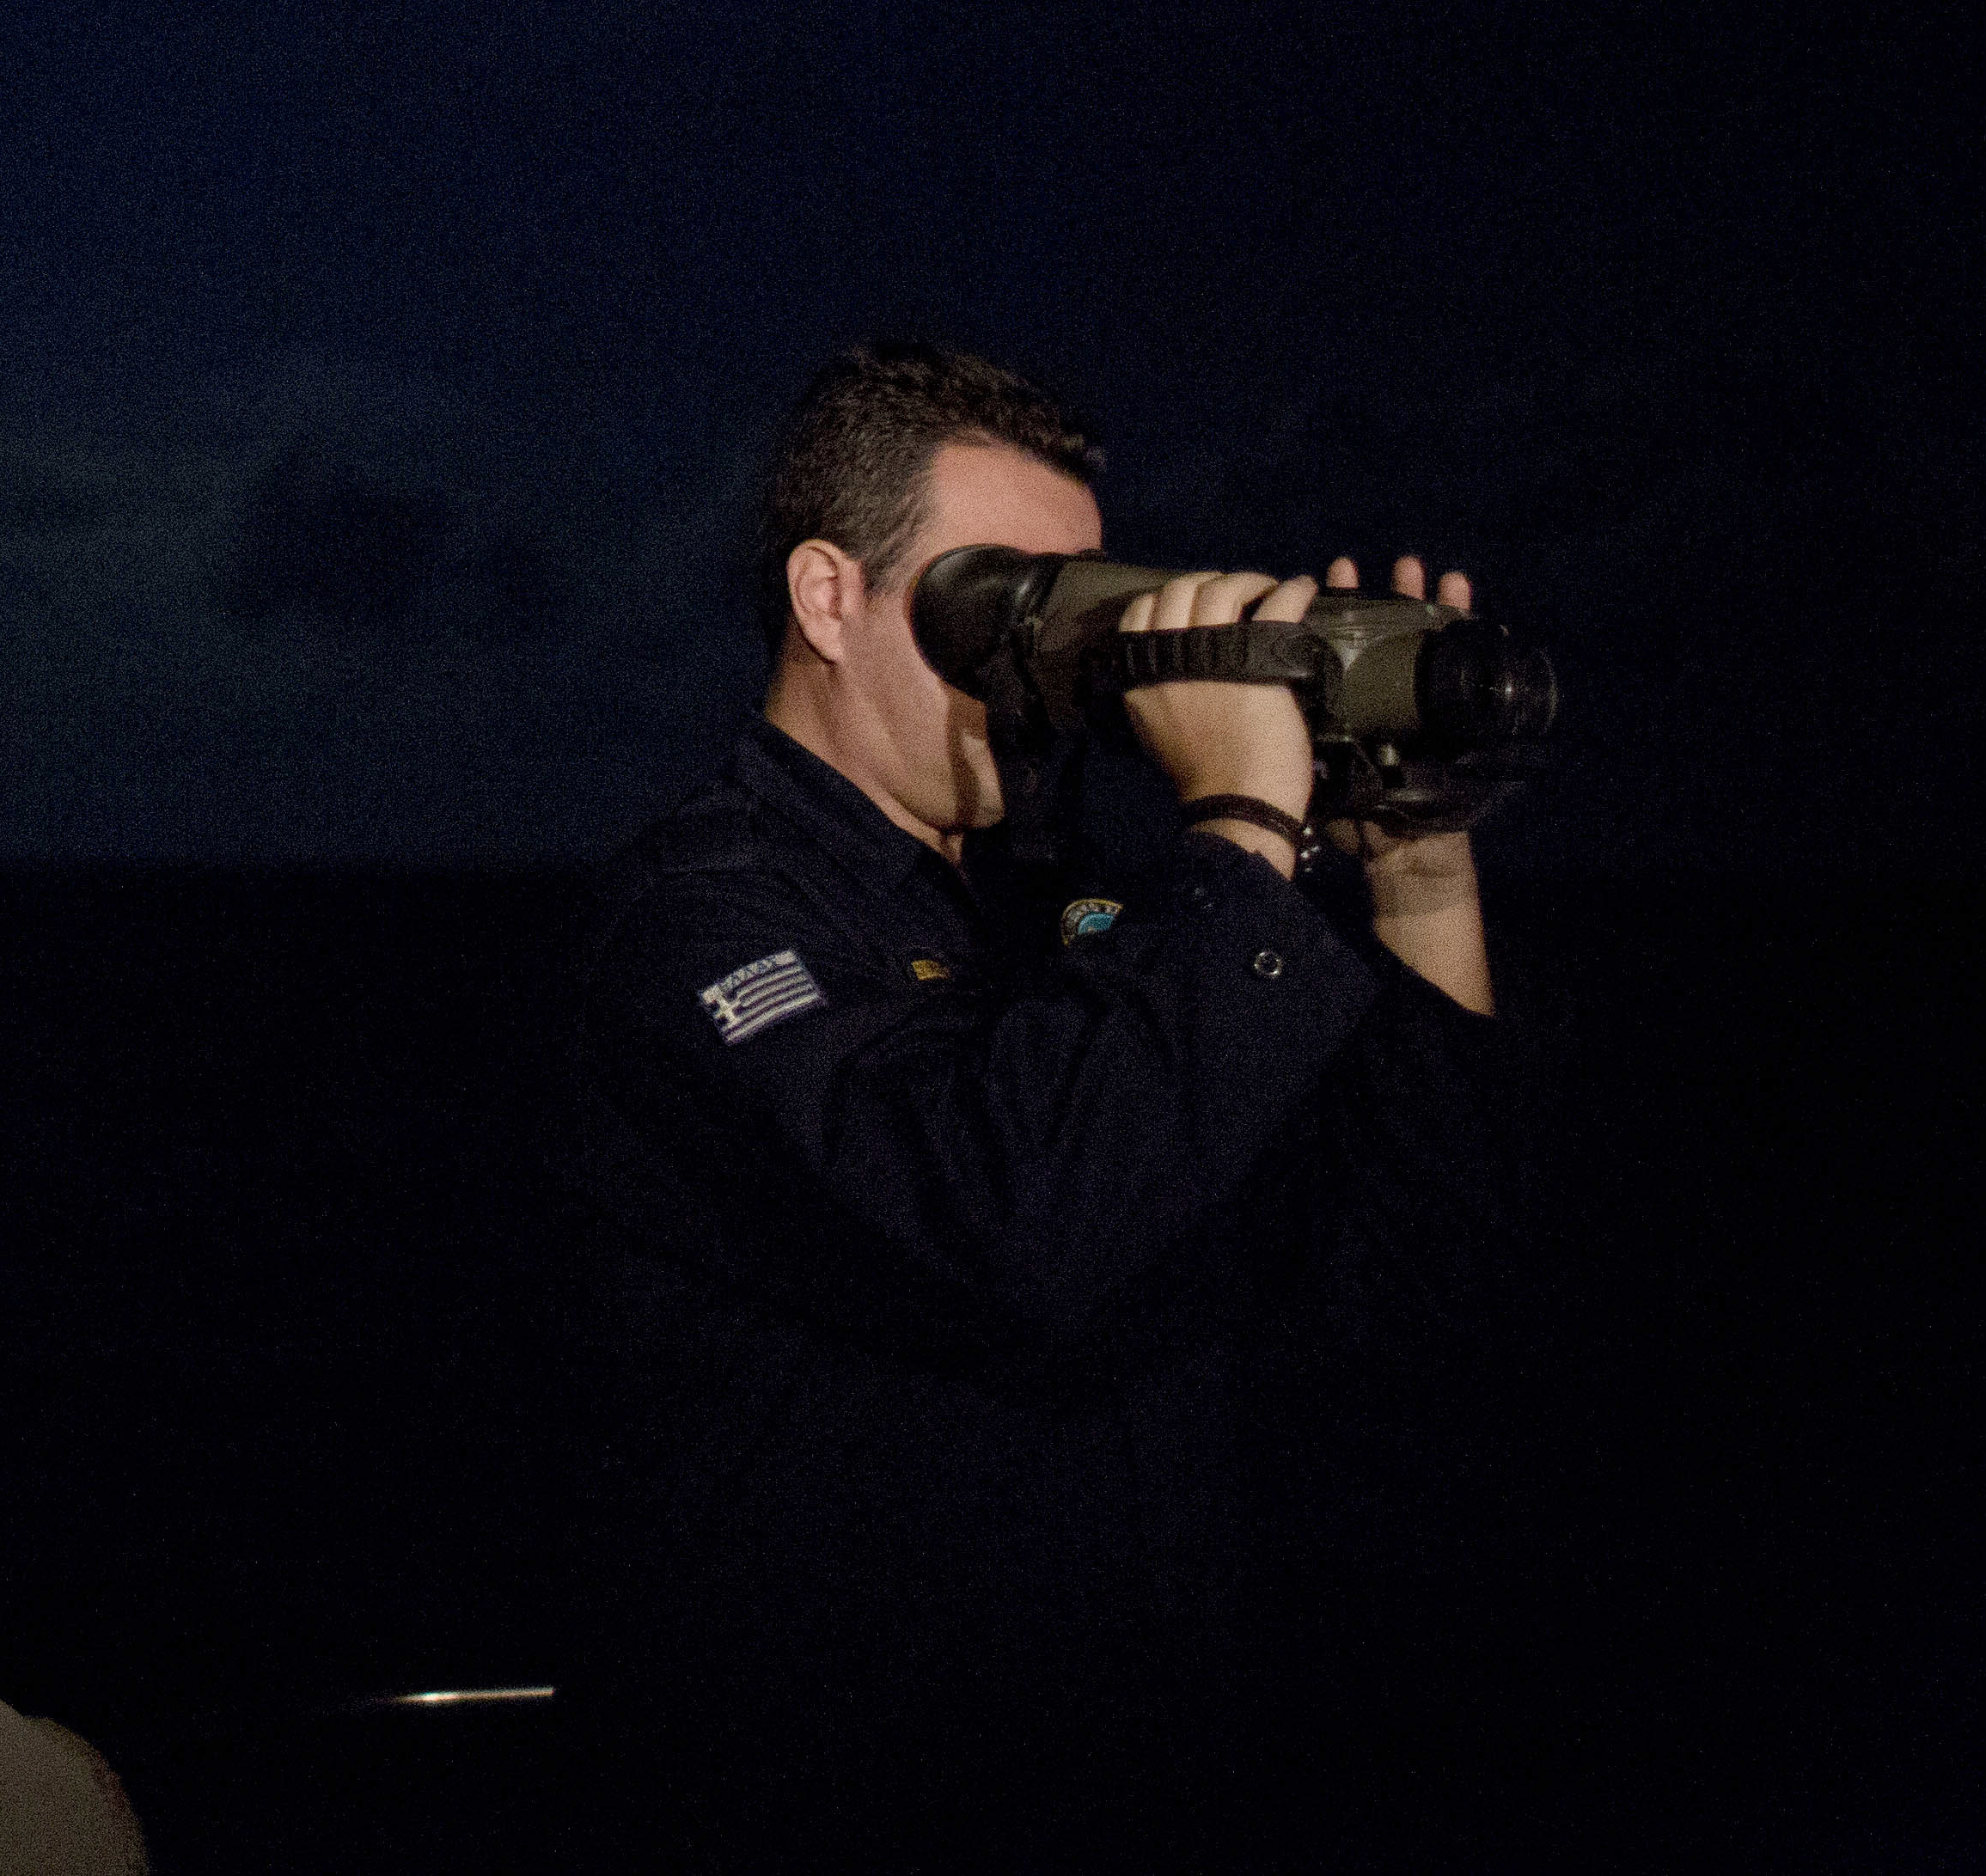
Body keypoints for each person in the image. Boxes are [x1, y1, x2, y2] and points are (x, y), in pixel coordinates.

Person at [563, 341, 1538, 1865]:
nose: (1035, 664)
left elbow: (1417, 1280)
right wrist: (1233, 827)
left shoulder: (1088, 926)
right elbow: (1004, 1225)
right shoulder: (696, 924)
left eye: (1067, 608)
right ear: (831, 598)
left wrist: (1415, 870)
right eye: (994, 601)